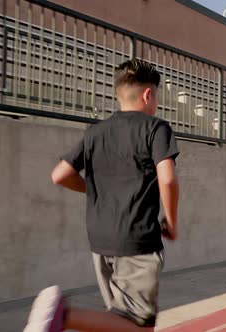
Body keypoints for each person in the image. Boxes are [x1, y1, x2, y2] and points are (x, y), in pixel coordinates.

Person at [23, 59, 180, 332]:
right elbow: (167, 178)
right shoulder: (156, 128)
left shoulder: (95, 132)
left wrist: (92, 189)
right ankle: (63, 315)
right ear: (147, 94)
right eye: (156, 96)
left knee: (118, 319)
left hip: (100, 240)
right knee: (137, 326)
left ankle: (61, 316)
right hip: (136, 239)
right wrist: (171, 221)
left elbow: (59, 174)